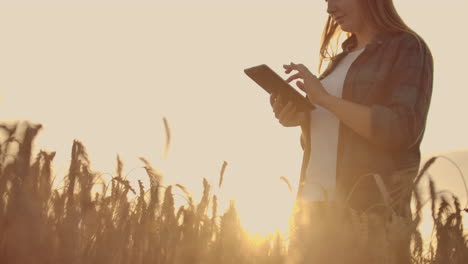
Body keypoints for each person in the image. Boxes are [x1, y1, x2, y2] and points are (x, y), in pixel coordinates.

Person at [270, 0, 433, 262]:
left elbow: (403, 129)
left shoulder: (407, 47)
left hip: (367, 215)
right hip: (311, 213)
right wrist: (302, 120)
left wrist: (324, 99)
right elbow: (329, 142)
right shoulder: (340, 59)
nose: (329, 8)